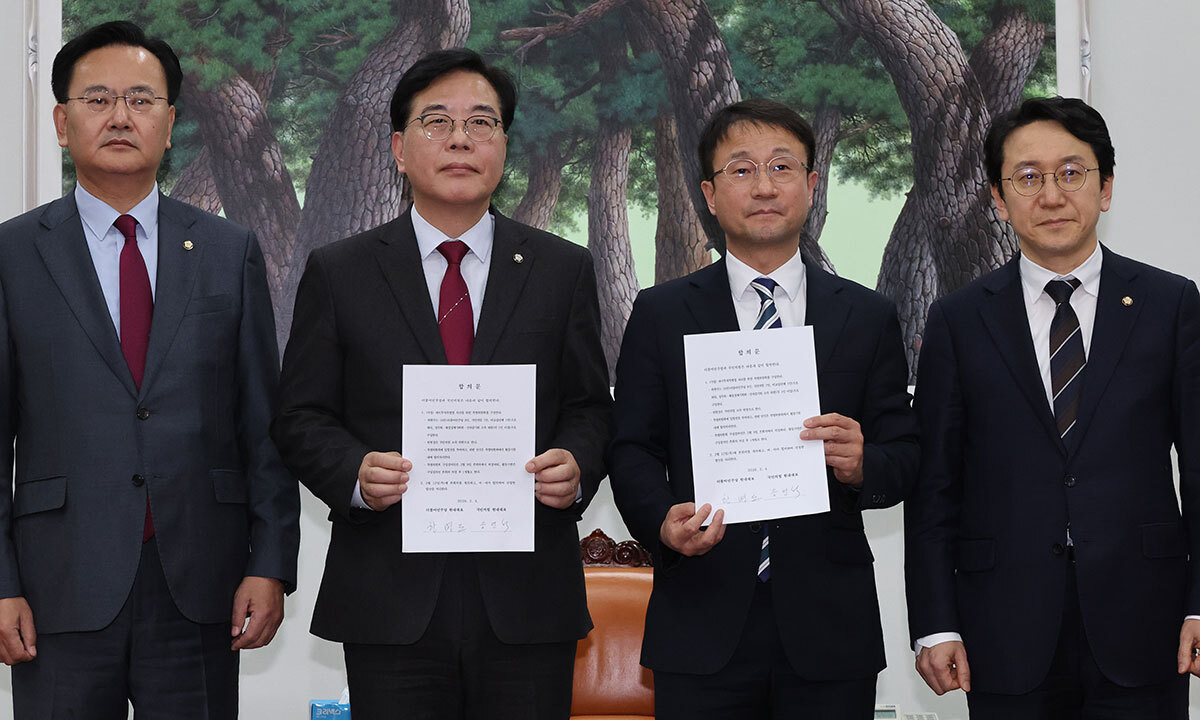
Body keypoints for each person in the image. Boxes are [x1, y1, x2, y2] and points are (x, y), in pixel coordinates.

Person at [270, 48, 611, 720]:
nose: (460, 139)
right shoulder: (340, 271)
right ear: (400, 150)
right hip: (389, 593)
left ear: (504, 147)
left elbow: (590, 408)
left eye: (481, 122)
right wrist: (354, 472)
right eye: (437, 122)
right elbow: (301, 415)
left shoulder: (561, 268)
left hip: (527, 594)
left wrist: (575, 464)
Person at [0, 20, 300, 719]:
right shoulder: (12, 255)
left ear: (169, 125)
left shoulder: (228, 250)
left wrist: (269, 563)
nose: (119, 116)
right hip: (58, 588)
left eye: (141, 99)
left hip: (201, 583)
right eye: (97, 99)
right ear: (62, 123)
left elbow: (263, 425)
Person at [607, 98, 919, 720]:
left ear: (812, 184)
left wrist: (864, 463)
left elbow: (905, 452)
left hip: (830, 627)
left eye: (782, 167)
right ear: (709, 194)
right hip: (700, 618)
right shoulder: (661, 312)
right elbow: (633, 446)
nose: (764, 187)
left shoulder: (867, 315)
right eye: (742, 170)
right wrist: (663, 523)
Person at [906, 96, 1199, 718]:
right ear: (998, 198)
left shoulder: (1170, 304)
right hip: (1002, 625)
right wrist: (935, 622)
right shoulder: (959, 319)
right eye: (1028, 177)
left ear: (1106, 187)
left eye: (1071, 173)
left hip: (1145, 619)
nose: (1052, 196)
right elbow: (935, 486)